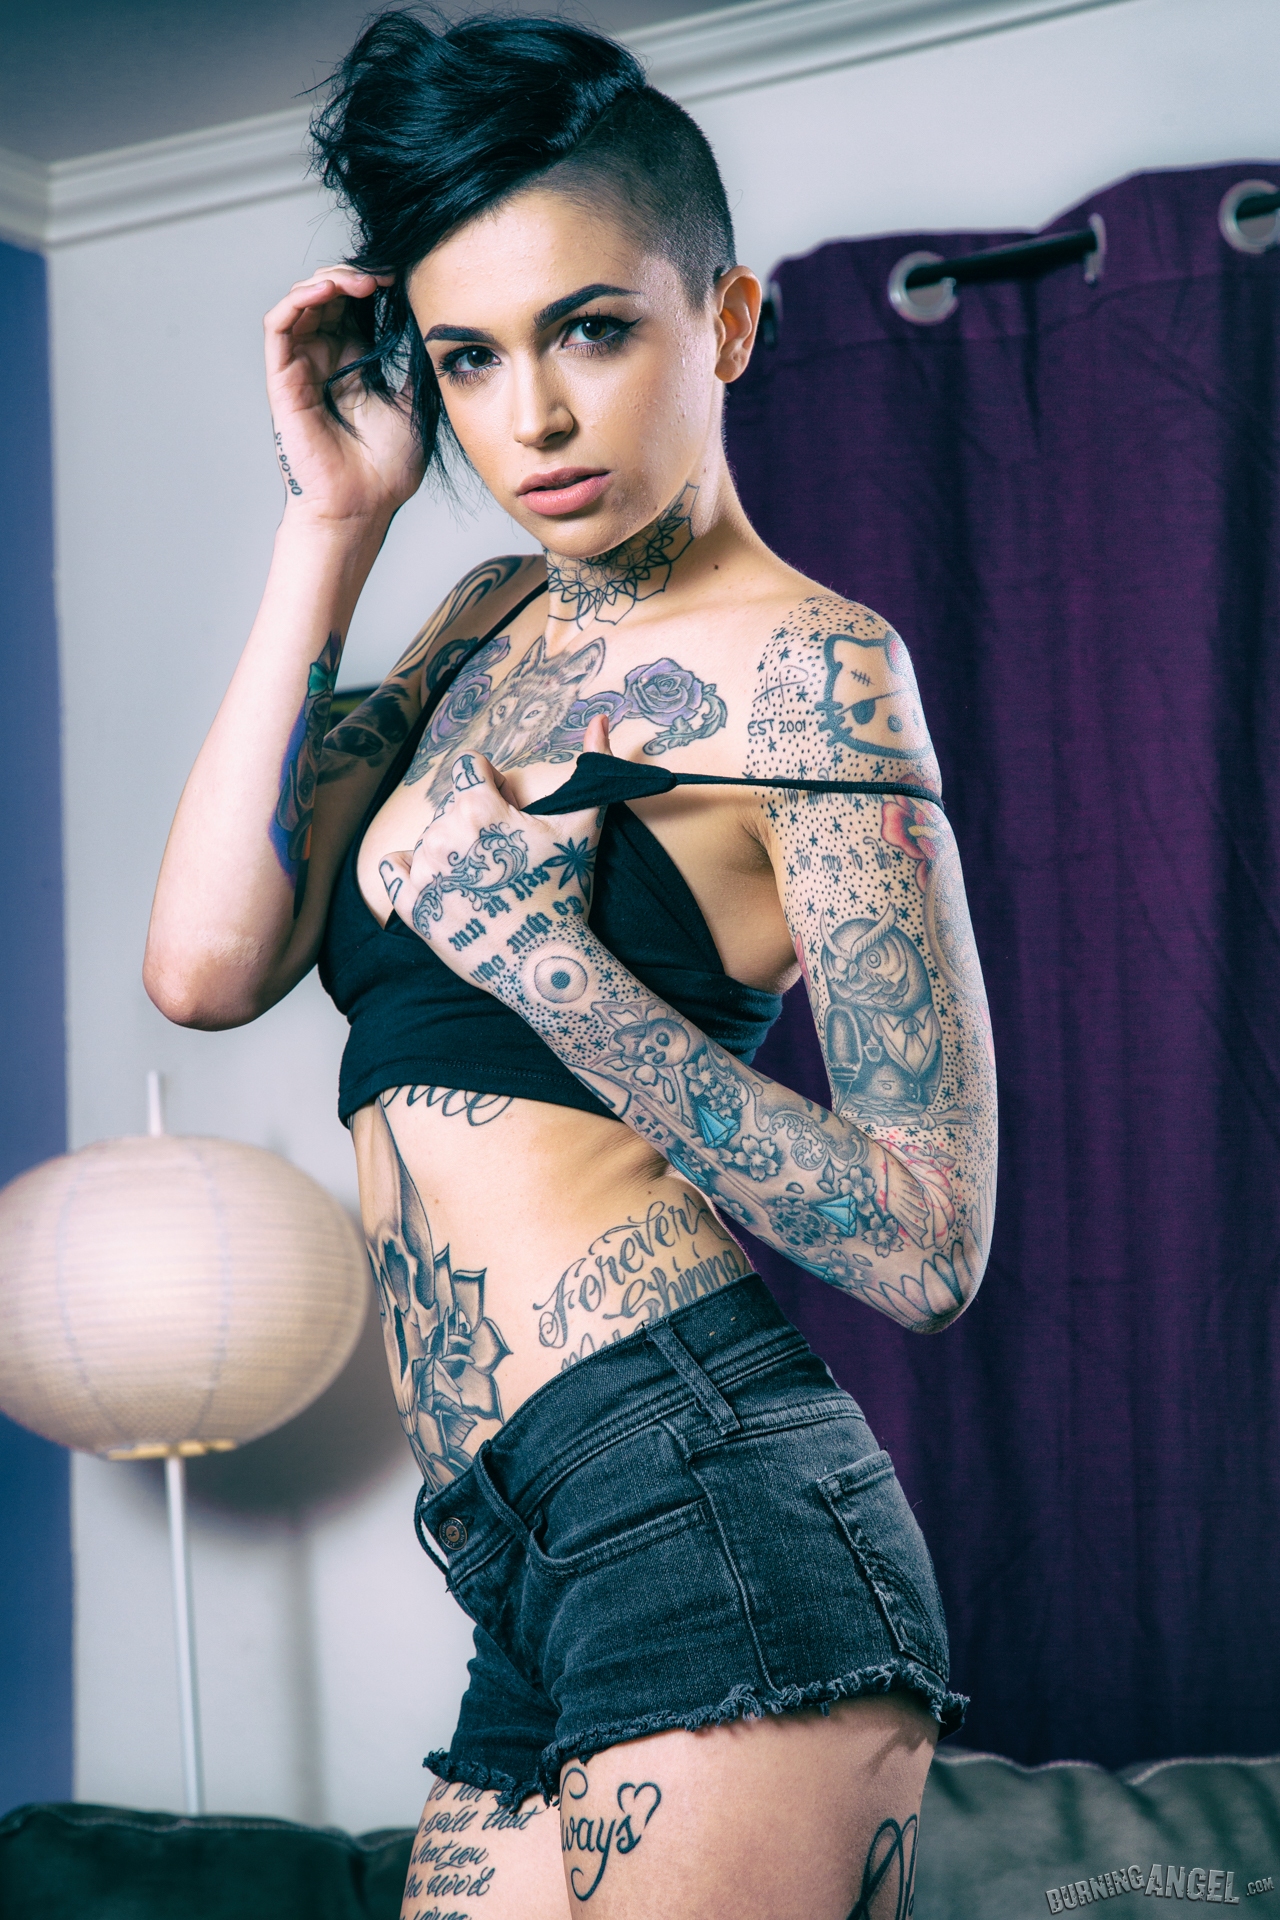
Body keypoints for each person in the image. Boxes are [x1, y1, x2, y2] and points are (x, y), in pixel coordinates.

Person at [145, 12, 997, 1916]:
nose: (527, 416)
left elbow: (930, 1244)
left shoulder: (815, 668)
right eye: (469, 356)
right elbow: (203, 963)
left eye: (592, 330)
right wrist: (334, 525)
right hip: (518, 1546)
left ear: (728, 322)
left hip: (703, 1497)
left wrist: (554, 969)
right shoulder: (480, 620)